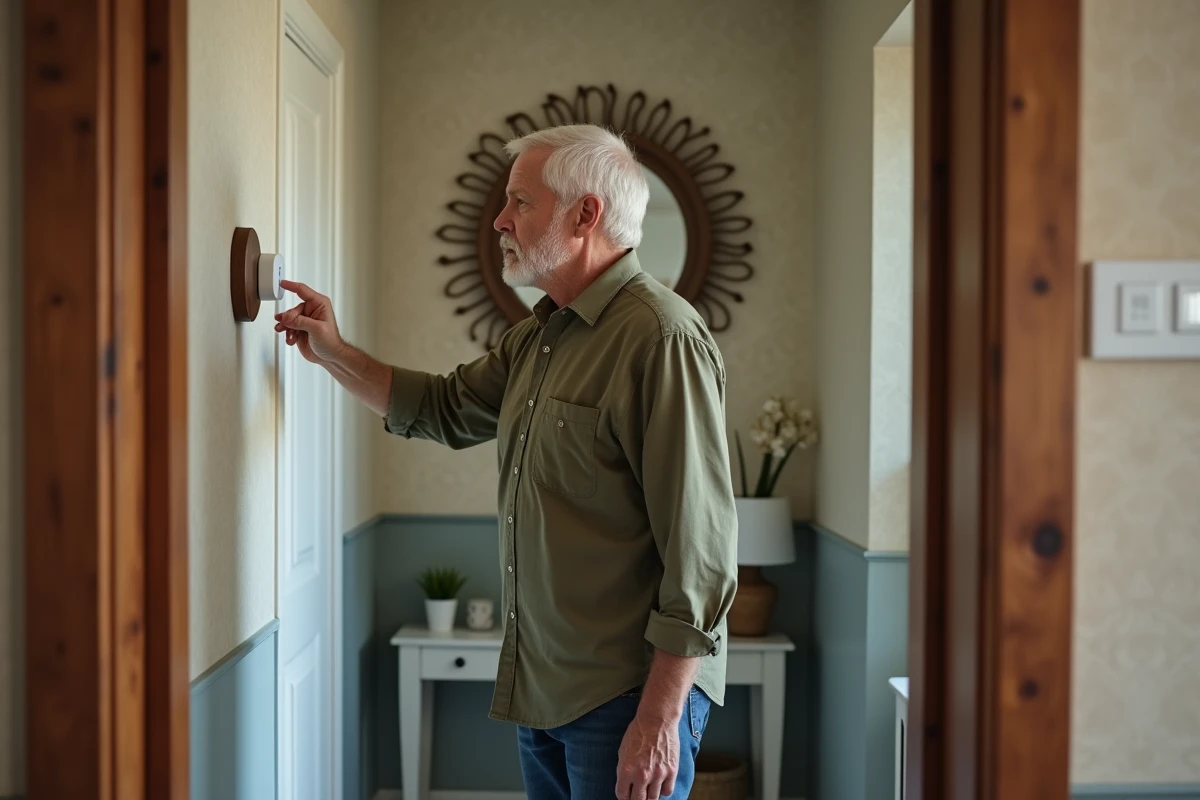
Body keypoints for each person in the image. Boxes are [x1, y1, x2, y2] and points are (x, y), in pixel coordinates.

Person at [274, 123, 738, 800]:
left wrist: (660, 717)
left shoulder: (662, 338)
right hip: (543, 688)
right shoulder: (539, 337)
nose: (500, 219)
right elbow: (441, 407)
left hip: (627, 698)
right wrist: (333, 351)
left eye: (520, 201)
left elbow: (701, 553)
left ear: (585, 214)